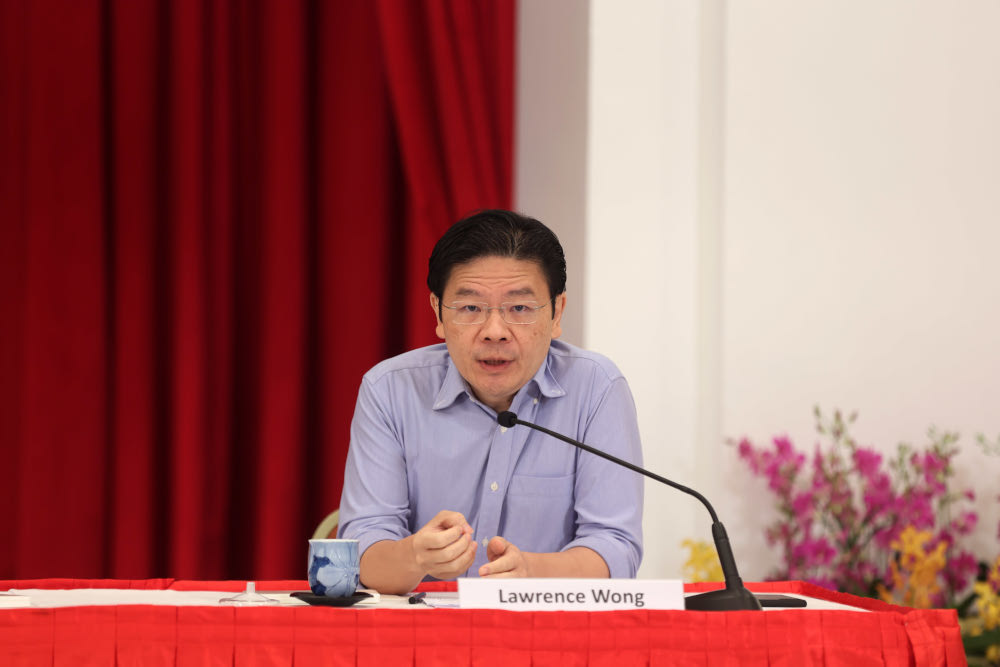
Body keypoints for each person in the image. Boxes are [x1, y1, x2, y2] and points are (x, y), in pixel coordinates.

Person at [338, 209, 643, 594]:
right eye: (470, 308)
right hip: (424, 642)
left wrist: (533, 574)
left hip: (550, 639)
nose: (494, 332)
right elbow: (363, 552)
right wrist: (415, 557)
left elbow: (616, 547)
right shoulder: (390, 390)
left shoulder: (596, 388)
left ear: (557, 312)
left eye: (519, 308)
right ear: (438, 312)